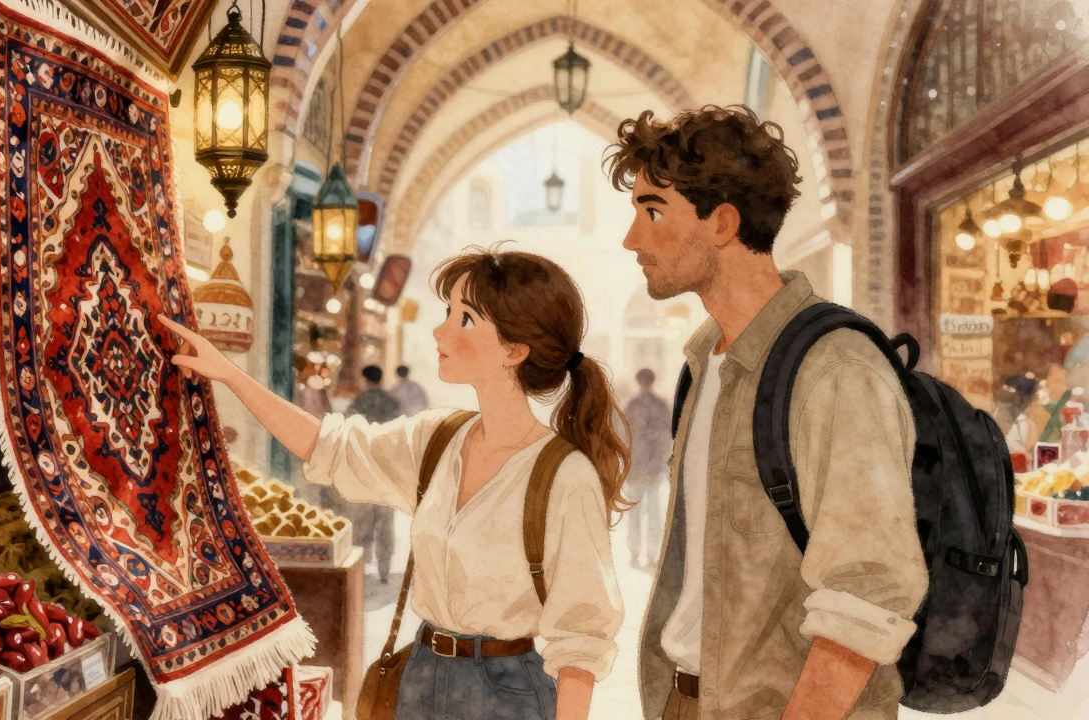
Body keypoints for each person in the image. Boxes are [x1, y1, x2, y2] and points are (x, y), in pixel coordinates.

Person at [159, 247, 626, 720]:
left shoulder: (565, 476)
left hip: (507, 695)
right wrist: (229, 375)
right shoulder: (436, 438)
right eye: (449, 311)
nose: (440, 330)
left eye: (465, 319)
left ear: (514, 350)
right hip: (419, 676)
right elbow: (331, 446)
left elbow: (581, 638)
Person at [606, 106, 928, 720]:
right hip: (687, 701)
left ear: (722, 222)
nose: (632, 238)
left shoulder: (834, 368)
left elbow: (869, 589)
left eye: (652, 211)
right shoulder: (707, 363)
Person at [345, 365, 402, 584]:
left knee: (362, 519)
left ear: (365, 380)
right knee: (385, 520)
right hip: (387, 467)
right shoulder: (392, 401)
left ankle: (361, 567)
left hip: (365, 466)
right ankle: (384, 569)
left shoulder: (360, 401)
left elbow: (348, 427)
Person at [623, 368, 671, 569]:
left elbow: (626, 438)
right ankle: (648, 555)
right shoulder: (660, 406)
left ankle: (637, 555)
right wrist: (657, 467)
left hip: (637, 470)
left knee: (639, 514)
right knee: (652, 514)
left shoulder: (632, 406)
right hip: (649, 470)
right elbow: (664, 440)